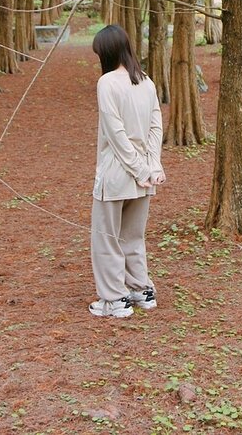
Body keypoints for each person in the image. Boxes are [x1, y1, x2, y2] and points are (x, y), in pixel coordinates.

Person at [89, 24, 165, 318]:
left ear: (107, 52)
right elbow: (155, 127)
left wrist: (139, 169)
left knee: (106, 237)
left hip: (118, 173)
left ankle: (114, 299)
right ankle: (140, 290)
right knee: (133, 236)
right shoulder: (146, 81)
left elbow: (116, 133)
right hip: (143, 173)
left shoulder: (107, 82)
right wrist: (151, 167)